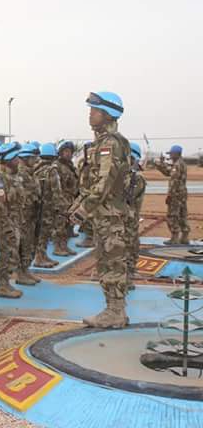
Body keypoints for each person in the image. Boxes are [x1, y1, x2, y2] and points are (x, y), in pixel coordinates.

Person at [69, 91, 131, 329]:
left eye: (95, 110)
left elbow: (105, 182)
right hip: (103, 215)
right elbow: (92, 181)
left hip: (110, 215)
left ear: (108, 114)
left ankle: (115, 312)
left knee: (112, 263)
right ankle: (113, 310)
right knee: (106, 262)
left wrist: (84, 209)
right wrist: (77, 204)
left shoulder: (110, 144)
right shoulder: (101, 143)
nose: (90, 114)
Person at [0, 142, 25, 298]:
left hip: (14, 221)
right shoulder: (0, 178)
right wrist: (6, 226)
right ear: (8, 159)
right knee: (7, 254)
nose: (18, 161)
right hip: (5, 223)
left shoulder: (14, 176)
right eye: (15, 158)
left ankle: (5, 283)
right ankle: (2, 285)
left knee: (12, 254)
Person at [32, 143, 65, 268]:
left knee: (40, 232)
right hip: (48, 206)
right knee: (45, 233)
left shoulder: (36, 169)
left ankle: (42, 255)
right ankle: (39, 258)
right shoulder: (52, 170)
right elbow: (56, 190)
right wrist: (60, 208)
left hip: (38, 205)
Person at [16, 144, 42, 284]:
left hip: (32, 214)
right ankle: (21, 273)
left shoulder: (32, 173)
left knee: (31, 243)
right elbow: (21, 195)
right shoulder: (20, 174)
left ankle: (26, 269)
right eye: (32, 158)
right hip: (24, 216)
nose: (35, 160)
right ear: (25, 158)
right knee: (23, 244)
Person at [155, 144, 189, 244]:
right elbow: (168, 172)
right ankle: (185, 237)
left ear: (177, 154)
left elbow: (174, 180)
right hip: (182, 194)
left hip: (176, 194)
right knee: (182, 214)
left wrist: (170, 195)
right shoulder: (182, 163)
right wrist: (161, 164)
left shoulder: (177, 165)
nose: (170, 156)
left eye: (171, 154)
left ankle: (175, 237)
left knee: (172, 215)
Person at [126, 143, 146, 290]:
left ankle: (128, 278)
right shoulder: (127, 176)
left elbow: (128, 197)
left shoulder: (137, 179)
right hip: (122, 220)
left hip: (129, 220)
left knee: (130, 249)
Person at [52, 140, 77, 256]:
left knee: (67, 225)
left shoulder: (70, 166)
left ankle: (64, 246)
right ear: (60, 152)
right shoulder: (56, 166)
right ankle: (58, 247)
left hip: (70, 200)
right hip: (61, 200)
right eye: (66, 151)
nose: (68, 154)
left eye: (70, 151)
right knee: (59, 226)